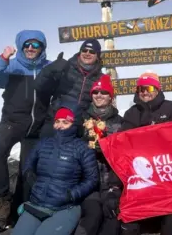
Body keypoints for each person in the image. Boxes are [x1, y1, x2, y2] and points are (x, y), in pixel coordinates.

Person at [0, 30, 50, 232]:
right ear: (21, 46)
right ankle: (2, 204)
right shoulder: (12, 67)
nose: (31, 48)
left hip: (36, 127)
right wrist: (3, 59)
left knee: (28, 169)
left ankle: (22, 209)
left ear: (42, 48)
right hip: (12, 122)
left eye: (36, 45)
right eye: (27, 44)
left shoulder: (49, 68)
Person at [11, 106, 99, 235]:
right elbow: (28, 163)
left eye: (65, 122)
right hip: (36, 204)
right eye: (57, 121)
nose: (60, 126)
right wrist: (29, 175)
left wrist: (72, 194)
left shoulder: (83, 148)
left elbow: (92, 179)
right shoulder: (44, 143)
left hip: (64, 207)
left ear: (73, 124)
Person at [119, 71, 172, 235]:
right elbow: (122, 142)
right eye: (140, 89)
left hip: (166, 173)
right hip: (141, 174)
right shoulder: (131, 113)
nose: (144, 92)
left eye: (148, 88)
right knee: (128, 219)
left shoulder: (171, 107)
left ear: (157, 89)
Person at [74, 75, 123, 235]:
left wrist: (108, 147)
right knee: (92, 218)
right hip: (89, 184)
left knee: (112, 218)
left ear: (111, 96)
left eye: (104, 92)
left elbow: (124, 156)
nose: (99, 95)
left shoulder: (121, 122)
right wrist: (84, 143)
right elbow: (70, 147)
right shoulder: (81, 119)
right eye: (95, 92)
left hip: (112, 183)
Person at [35, 38, 104, 138]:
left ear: (97, 55)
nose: (87, 53)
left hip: (79, 125)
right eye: (84, 50)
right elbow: (39, 86)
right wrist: (49, 70)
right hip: (56, 120)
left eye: (92, 51)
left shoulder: (100, 78)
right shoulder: (65, 68)